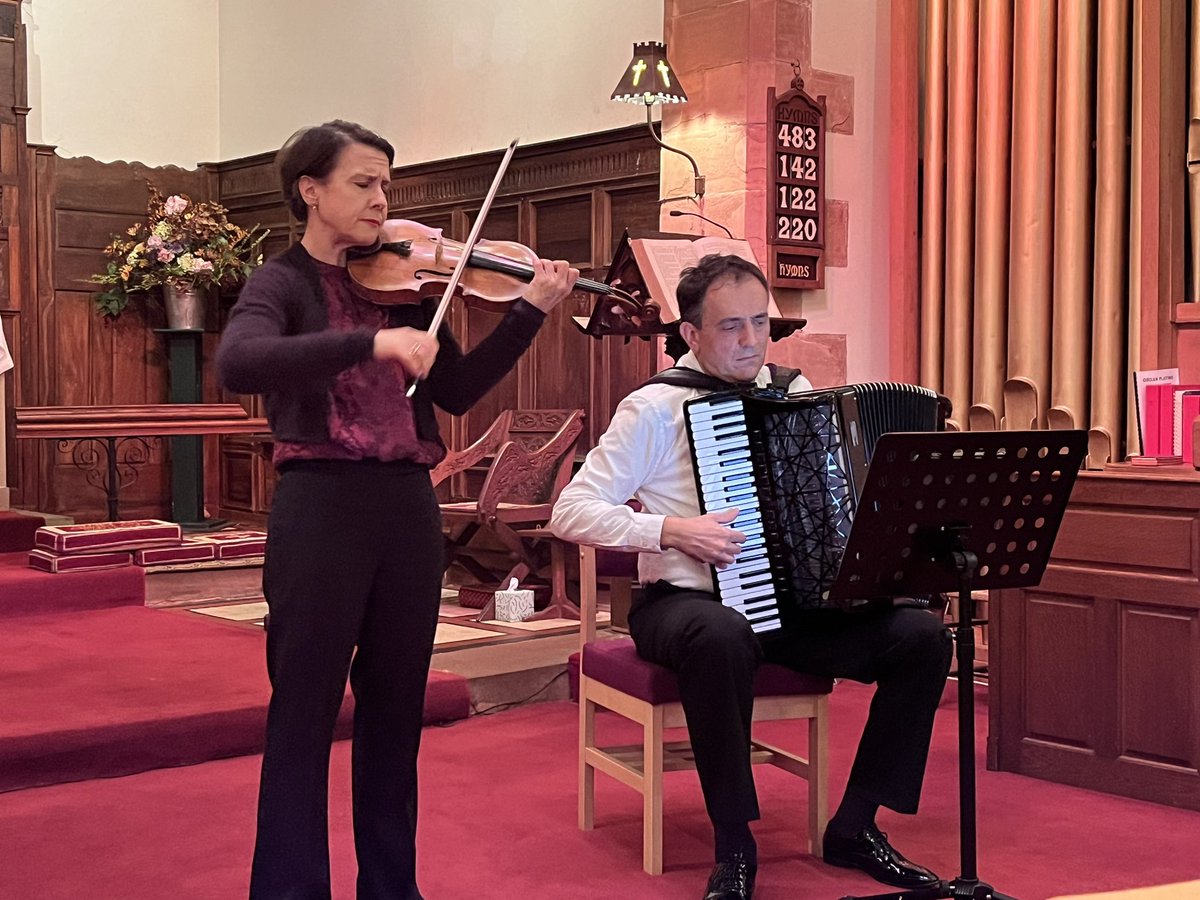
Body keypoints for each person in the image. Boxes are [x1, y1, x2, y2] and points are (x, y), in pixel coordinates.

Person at [216, 119, 579, 900]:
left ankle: (391, 888)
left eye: (386, 183)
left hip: (405, 509)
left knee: (395, 714)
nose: (382, 199)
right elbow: (239, 362)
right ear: (310, 191)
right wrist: (367, 345)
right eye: (363, 183)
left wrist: (530, 312)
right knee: (304, 714)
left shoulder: (405, 286)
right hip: (321, 507)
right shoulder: (282, 282)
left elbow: (455, 390)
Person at [549, 253, 951, 900]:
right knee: (722, 636)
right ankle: (734, 843)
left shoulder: (793, 391)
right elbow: (570, 511)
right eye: (731, 326)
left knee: (923, 638)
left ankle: (856, 825)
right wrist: (670, 530)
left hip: (791, 609)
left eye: (760, 322)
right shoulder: (654, 408)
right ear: (691, 333)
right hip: (680, 604)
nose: (751, 340)